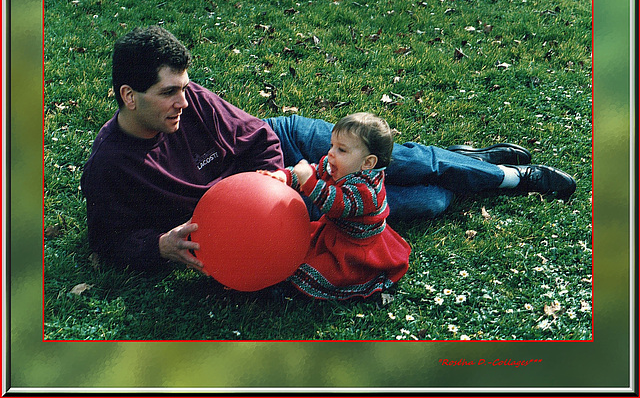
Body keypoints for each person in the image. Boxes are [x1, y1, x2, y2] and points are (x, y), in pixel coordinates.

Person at [81, 26, 576, 273]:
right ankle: (468, 159)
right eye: (169, 93)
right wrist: (158, 247)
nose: (184, 101)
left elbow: (258, 139)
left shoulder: (198, 104)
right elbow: (107, 237)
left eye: (186, 88)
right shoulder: (110, 167)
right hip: (269, 209)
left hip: (288, 150)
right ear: (129, 96)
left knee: (399, 162)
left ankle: (513, 179)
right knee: (426, 201)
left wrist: (278, 175)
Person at [259, 113, 411, 300]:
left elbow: (337, 204)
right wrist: (286, 176)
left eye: (342, 150)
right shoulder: (338, 166)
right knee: (296, 248)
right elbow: (315, 170)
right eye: (332, 145)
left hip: (352, 247)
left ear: (368, 163)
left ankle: (292, 290)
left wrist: (308, 181)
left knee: (321, 270)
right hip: (333, 231)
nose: (331, 152)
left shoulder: (366, 191)